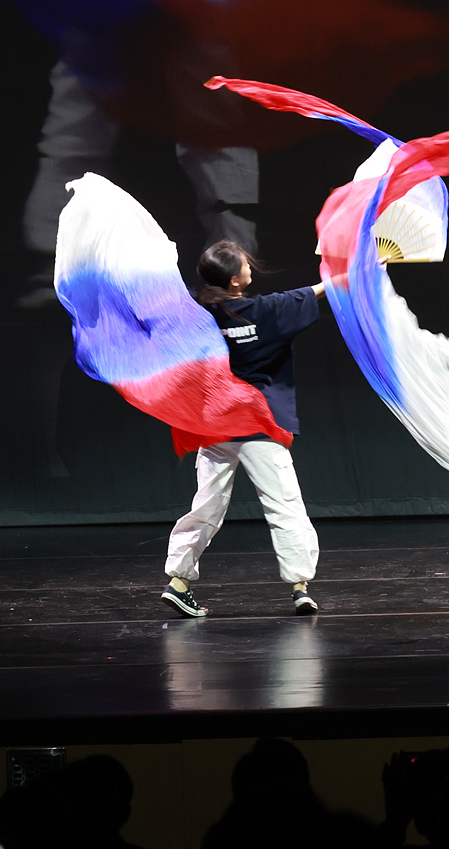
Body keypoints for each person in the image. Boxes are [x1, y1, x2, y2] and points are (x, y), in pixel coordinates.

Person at [162, 239, 326, 618]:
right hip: (259, 426)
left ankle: (178, 582)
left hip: (215, 426)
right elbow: (325, 289)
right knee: (284, 505)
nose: (251, 265)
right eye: (245, 264)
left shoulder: (196, 313)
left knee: (206, 506)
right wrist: (369, 265)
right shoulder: (265, 311)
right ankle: (300, 587)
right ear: (236, 281)